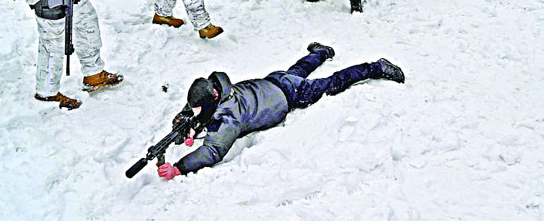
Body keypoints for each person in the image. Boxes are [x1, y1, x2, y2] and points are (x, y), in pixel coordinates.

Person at [155, 42, 405, 179]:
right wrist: (190, 124)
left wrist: (179, 167)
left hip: (290, 95)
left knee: (332, 83)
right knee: (296, 70)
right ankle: (321, 52)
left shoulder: (230, 117)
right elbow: (197, 110)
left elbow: (213, 150)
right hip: (274, 81)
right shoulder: (221, 88)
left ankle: (376, 68)